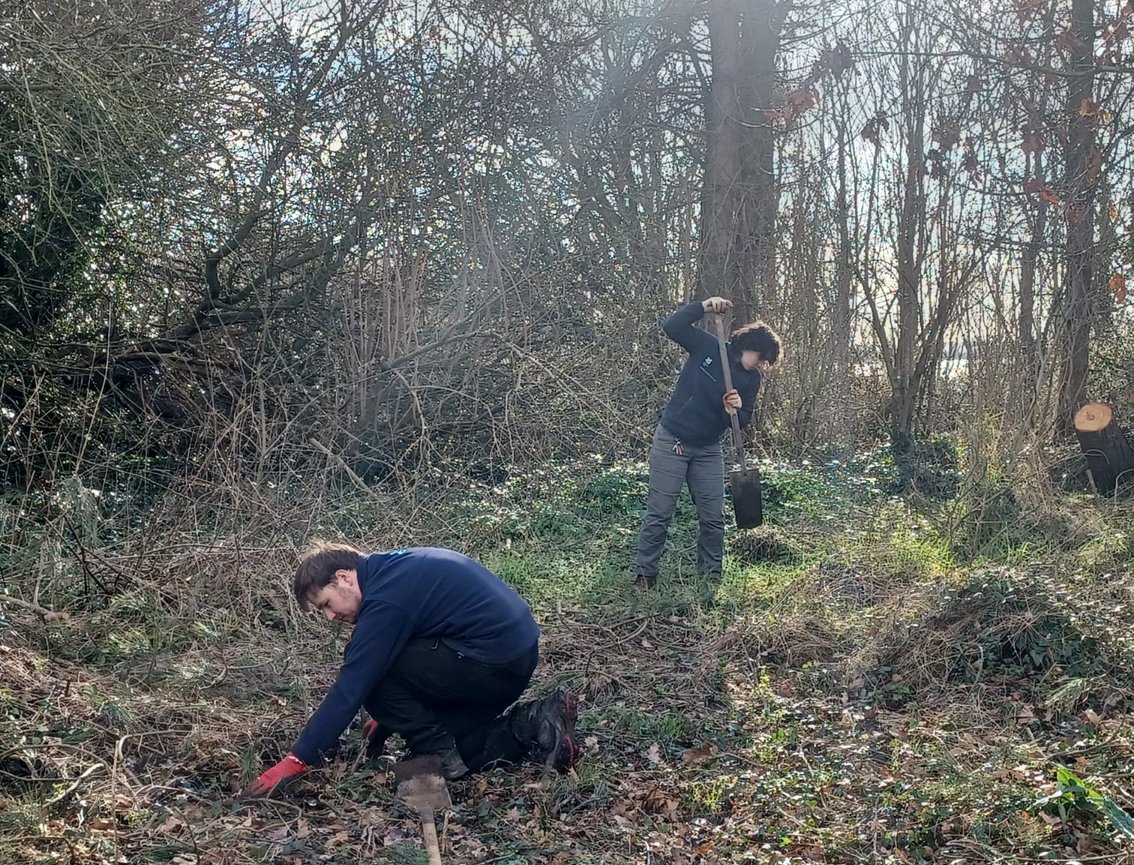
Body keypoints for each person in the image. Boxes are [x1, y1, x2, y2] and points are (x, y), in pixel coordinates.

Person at [245, 544, 579, 797]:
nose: (331, 618)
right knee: (459, 741)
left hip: (488, 663)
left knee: (369, 668)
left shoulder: (387, 599)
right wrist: (394, 715)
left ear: (344, 578)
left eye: (326, 605)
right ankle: (537, 720)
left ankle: (435, 751)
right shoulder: (396, 569)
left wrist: (298, 759)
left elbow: (352, 686)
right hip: (512, 659)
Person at [633, 297, 782, 588]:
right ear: (751, 346)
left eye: (765, 363)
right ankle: (645, 575)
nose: (761, 365)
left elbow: (744, 419)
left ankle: (710, 580)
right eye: (761, 358)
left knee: (714, 518)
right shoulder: (710, 348)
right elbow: (672, 326)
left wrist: (735, 411)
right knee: (660, 513)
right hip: (672, 440)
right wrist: (702, 307)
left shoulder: (752, 380)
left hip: (708, 449)